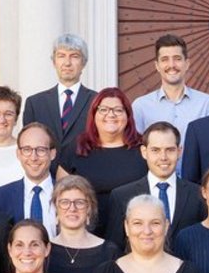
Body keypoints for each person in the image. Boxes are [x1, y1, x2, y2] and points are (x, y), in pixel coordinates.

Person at [57, 87, 149, 236]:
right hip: (87, 235)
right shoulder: (76, 148)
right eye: (103, 109)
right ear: (93, 114)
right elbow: (62, 196)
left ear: (128, 115)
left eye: (118, 110)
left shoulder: (143, 150)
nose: (110, 115)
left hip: (135, 235)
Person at [104, 121, 206, 252]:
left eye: (170, 150)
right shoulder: (122, 196)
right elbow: (115, 248)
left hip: (186, 270)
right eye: (155, 150)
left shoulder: (197, 194)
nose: (163, 157)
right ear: (144, 152)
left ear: (179, 151)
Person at [45, 174, 120, 273]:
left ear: (89, 209)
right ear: (56, 209)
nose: (72, 208)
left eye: (79, 202)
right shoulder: (44, 252)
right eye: (65, 202)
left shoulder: (110, 252)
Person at [130, 33, 209, 140]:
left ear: (187, 64)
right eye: (165, 59)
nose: (171, 65)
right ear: (157, 66)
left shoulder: (206, 104)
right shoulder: (140, 107)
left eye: (177, 58)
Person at [22, 34, 96, 156]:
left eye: (74, 56)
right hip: (45, 172)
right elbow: (29, 142)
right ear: (54, 62)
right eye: (61, 56)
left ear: (84, 63)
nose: (67, 63)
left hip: (84, 172)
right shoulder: (35, 103)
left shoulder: (96, 101)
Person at [0, 122, 58, 235]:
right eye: (27, 150)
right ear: (18, 154)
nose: (34, 157)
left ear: (52, 154)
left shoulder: (68, 194)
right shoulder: (0, 197)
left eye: (41, 150)